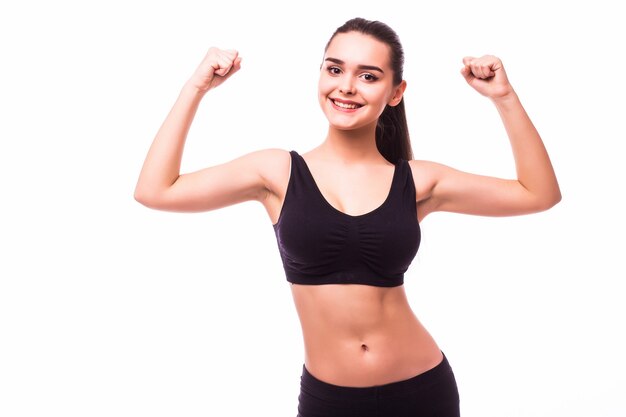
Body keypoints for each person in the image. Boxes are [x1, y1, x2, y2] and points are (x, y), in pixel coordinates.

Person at [134, 17, 560, 417]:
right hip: (329, 399)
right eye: (334, 70)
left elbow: (538, 194)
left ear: (396, 92)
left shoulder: (417, 181)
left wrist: (503, 97)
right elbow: (156, 190)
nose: (347, 87)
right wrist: (196, 88)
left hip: (422, 390)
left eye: (369, 76)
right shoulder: (277, 172)